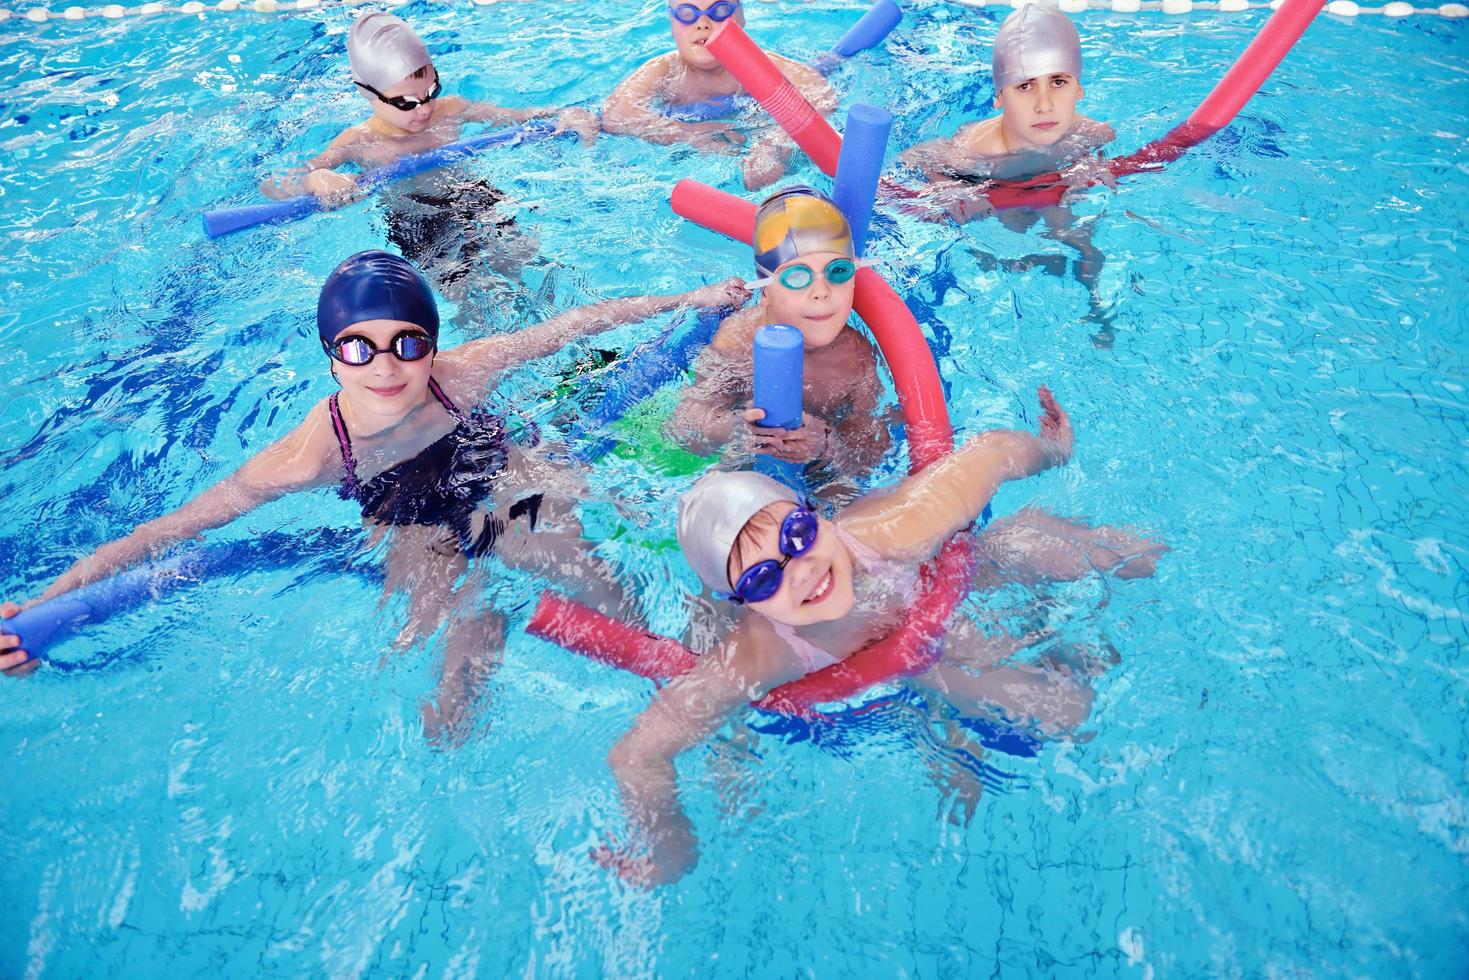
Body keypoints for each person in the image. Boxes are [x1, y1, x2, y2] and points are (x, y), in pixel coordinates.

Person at [0, 251, 748, 742]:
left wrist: (692, 297)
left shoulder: (463, 373)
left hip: (492, 469)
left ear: (430, 342)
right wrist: (42, 606)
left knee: (573, 562)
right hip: (403, 513)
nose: (385, 366)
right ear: (332, 356)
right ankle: (478, 631)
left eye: (407, 343)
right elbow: (174, 528)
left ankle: (661, 669)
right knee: (435, 656)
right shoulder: (308, 454)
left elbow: (574, 326)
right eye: (359, 347)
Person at [599, 388, 1166, 884]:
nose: (799, 570)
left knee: (1086, 549)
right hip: (916, 661)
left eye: (797, 535)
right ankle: (945, 720)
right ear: (742, 603)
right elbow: (637, 753)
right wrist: (671, 846)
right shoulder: (762, 650)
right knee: (1063, 711)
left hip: (944, 577)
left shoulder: (891, 530)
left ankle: (1060, 612)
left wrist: (1053, 450)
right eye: (763, 576)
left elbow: (991, 454)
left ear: (813, 515)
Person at [259, 12, 599, 294]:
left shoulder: (450, 110)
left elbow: (518, 117)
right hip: (417, 219)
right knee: (471, 295)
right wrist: (319, 178)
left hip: (473, 195)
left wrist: (566, 115)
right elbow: (277, 184)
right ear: (367, 93)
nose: (423, 109)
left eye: (431, 90)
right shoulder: (359, 140)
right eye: (406, 102)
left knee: (530, 261)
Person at [899, 4, 1119, 344]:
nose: (1044, 104)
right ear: (1000, 95)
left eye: (1058, 81)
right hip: (990, 183)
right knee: (1000, 249)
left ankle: (1096, 310)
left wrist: (1085, 169)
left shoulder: (1091, 134)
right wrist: (954, 193)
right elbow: (914, 158)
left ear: (1079, 88)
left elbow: (1101, 147)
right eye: (1025, 86)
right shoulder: (977, 151)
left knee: (1079, 238)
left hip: (1050, 181)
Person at [667, 186, 892, 488]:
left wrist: (827, 443)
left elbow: (873, 451)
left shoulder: (855, 359)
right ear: (765, 291)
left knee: (842, 496)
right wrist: (734, 429)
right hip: (747, 460)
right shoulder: (738, 339)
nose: (821, 292)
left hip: (818, 473)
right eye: (797, 277)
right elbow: (684, 426)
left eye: (837, 271)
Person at [602, 1, 838, 191]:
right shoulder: (666, 71)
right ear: (672, 23)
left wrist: (775, 142)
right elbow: (617, 114)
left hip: (757, 125)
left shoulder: (763, 65)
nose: (703, 23)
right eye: (687, 13)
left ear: (741, 17)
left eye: (719, 10)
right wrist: (690, 134)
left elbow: (821, 94)